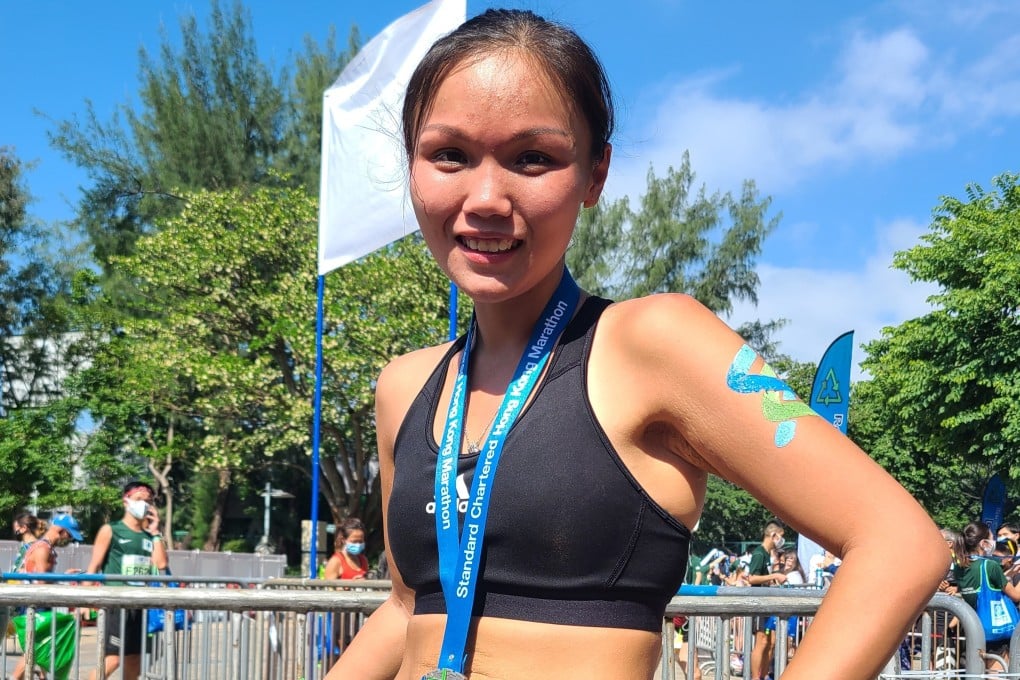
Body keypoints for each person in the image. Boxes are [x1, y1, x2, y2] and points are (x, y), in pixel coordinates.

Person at [325, 9, 947, 680]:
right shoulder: (405, 387)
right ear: (411, 166)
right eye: (450, 154)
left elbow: (900, 544)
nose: (485, 198)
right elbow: (407, 606)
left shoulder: (655, 345)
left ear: (595, 175)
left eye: (532, 158)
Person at [84, 481, 169, 680]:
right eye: (139, 499)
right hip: (116, 604)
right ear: (126, 501)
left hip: (140, 605)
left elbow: (162, 564)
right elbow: (94, 566)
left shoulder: (151, 536)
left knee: (134, 661)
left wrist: (156, 532)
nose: (144, 504)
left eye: (148, 501)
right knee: (112, 659)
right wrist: (85, 599)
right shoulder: (111, 530)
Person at [10, 514, 83, 680]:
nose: (70, 540)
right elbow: (42, 580)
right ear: (61, 531)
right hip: (35, 604)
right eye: (70, 535)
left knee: (40, 648)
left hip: (37, 603)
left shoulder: (45, 547)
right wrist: (65, 581)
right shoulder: (42, 548)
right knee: (34, 649)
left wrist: (63, 577)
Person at [952, 520, 1020, 673]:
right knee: (997, 673)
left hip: (974, 627)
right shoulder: (990, 566)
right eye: (991, 538)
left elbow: (983, 586)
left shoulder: (960, 567)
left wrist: (1009, 574)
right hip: (996, 630)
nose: (994, 542)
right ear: (983, 543)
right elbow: (1016, 596)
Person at [747, 520, 788, 679]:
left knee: (770, 642)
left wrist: (777, 571)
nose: (781, 541)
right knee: (762, 641)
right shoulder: (759, 553)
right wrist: (774, 575)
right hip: (758, 603)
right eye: (780, 537)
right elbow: (752, 578)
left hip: (765, 603)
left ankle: (762, 675)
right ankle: (755, 677)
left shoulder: (766, 554)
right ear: (773, 535)